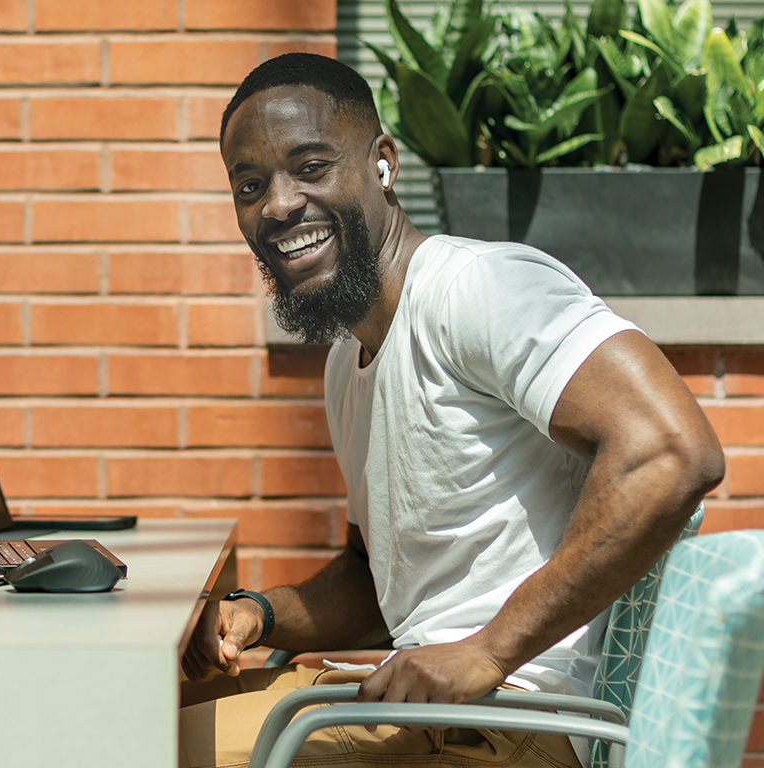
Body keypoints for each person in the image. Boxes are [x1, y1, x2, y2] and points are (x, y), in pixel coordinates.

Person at [179, 52, 725, 768]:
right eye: (251, 185)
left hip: (514, 720)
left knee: (119, 744)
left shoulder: (481, 288)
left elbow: (674, 450)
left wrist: (488, 649)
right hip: (423, 704)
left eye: (311, 167)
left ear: (382, 163)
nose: (279, 204)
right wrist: (261, 613)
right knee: (138, 712)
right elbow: (381, 580)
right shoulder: (350, 360)